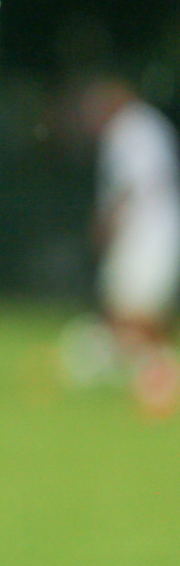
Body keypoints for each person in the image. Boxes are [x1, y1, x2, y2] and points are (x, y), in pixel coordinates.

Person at [81, 76, 180, 416]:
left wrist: (106, 222)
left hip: (146, 231)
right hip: (155, 229)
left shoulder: (130, 129)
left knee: (136, 313)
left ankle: (160, 377)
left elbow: (130, 185)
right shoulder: (148, 124)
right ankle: (153, 375)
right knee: (131, 309)